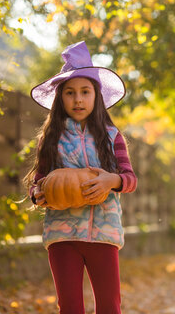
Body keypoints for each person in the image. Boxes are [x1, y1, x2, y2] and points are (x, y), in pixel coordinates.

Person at [24, 41, 137, 314]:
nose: (78, 100)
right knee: (70, 307)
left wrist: (111, 181)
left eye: (85, 92)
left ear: (96, 96)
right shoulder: (51, 138)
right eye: (70, 93)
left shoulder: (112, 136)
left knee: (110, 306)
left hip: (104, 234)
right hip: (62, 234)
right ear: (60, 98)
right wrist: (37, 194)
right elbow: (39, 181)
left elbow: (130, 179)